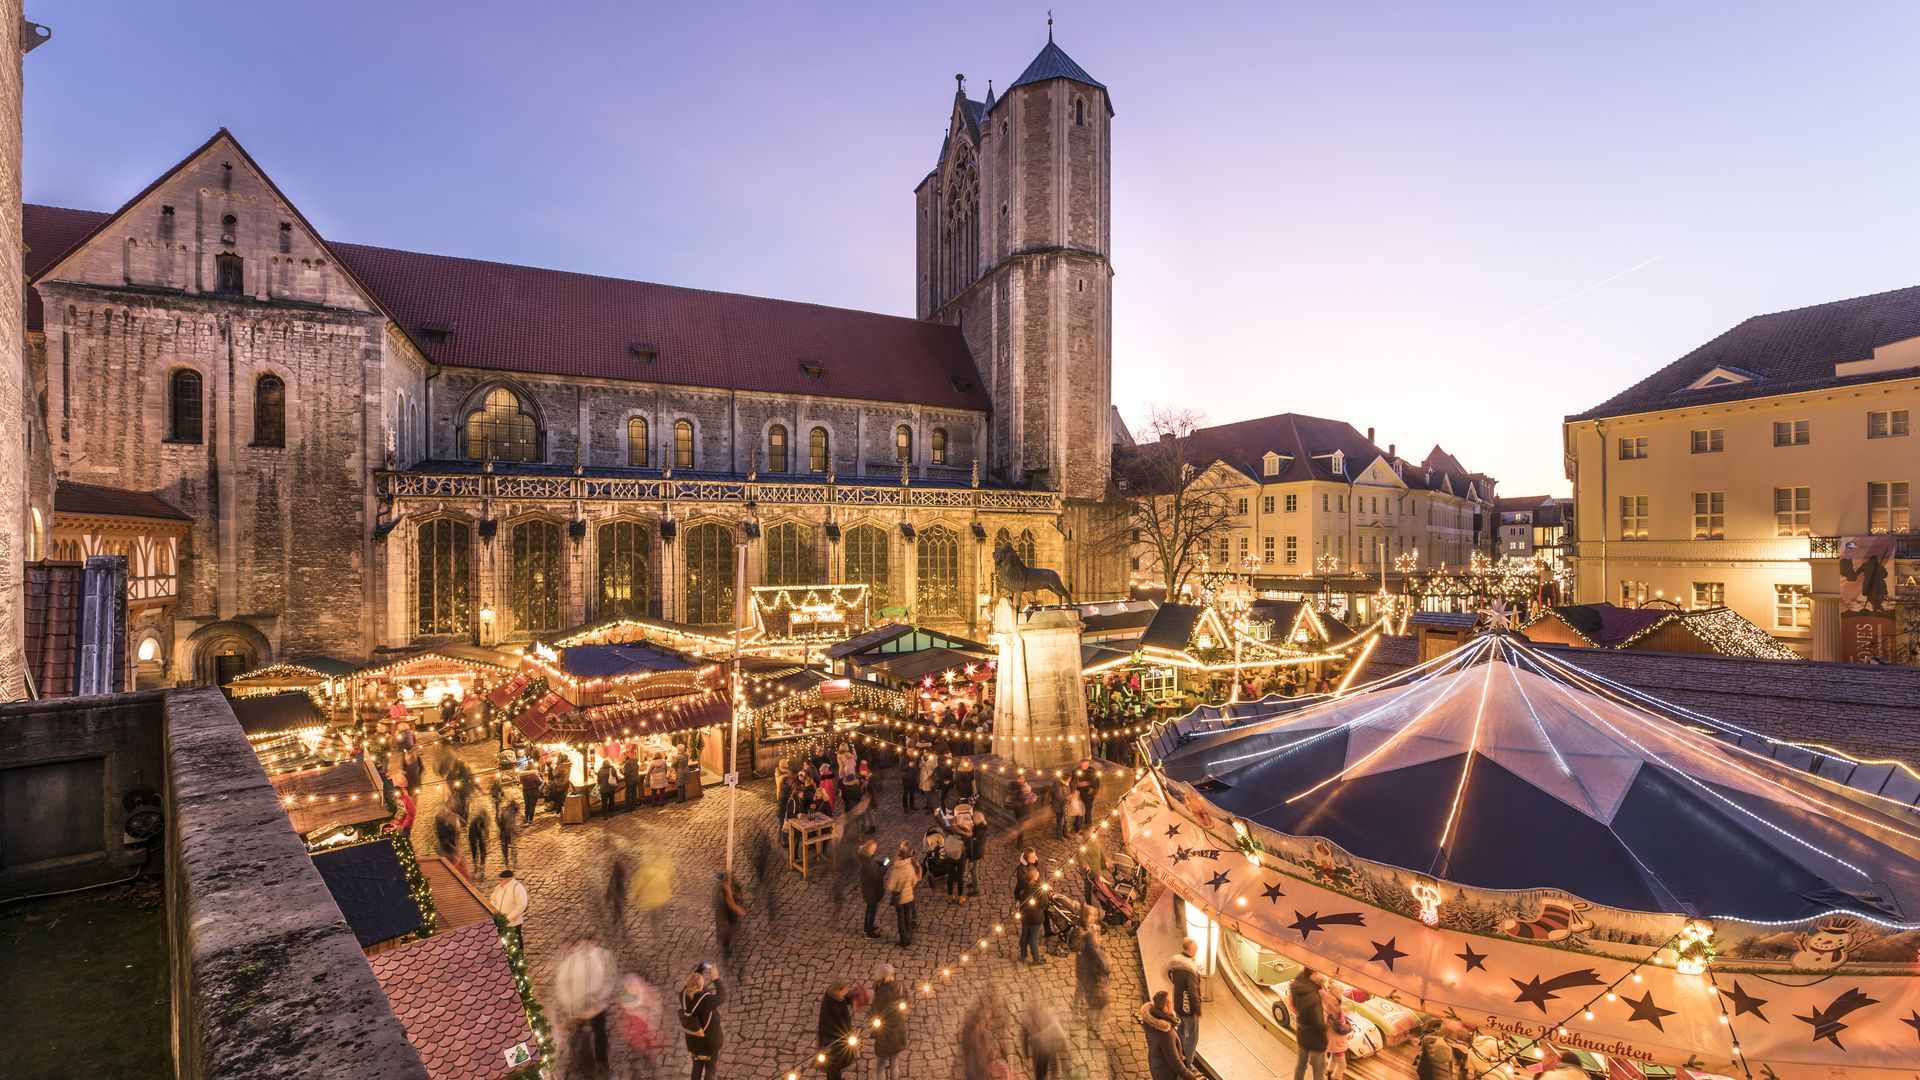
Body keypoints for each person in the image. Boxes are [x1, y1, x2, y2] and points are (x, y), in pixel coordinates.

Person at [554, 936, 616, 1076]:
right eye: (582, 943)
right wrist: (573, 1007)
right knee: (582, 1038)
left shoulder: (601, 957)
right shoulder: (569, 963)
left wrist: (599, 1002)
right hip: (577, 1008)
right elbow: (562, 987)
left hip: (597, 1006)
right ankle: (588, 1068)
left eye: (590, 943)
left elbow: (608, 980)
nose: (586, 947)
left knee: (600, 1034)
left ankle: (602, 1063)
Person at [679, 962, 725, 1080]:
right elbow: (722, 996)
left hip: (693, 1041)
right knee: (710, 1069)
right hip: (709, 1042)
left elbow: (691, 984)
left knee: (697, 1066)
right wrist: (716, 979)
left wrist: (700, 969)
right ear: (701, 986)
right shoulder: (706, 1001)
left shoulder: (683, 995)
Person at [1140, 990, 1201, 1080]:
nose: (1173, 1004)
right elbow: (1175, 1063)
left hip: (1157, 1066)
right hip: (1166, 1075)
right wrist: (1193, 1078)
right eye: (1171, 1002)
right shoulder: (1166, 1034)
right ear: (1166, 1008)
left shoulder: (1152, 1020)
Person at [1288, 967, 1331, 1080]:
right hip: (1316, 1041)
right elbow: (1319, 1023)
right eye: (1319, 973)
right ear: (1313, 974)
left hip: (1302, 1033)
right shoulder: (1313, 998)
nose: (1321, 975)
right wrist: (1328, 1027)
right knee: (1318, 1071)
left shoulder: (1297, 983)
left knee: (1301, 1066)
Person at [870, 962, 907, 1080]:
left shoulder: (880, 993)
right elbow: (906, 1000)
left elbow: (873, 1013)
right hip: (897, 1031)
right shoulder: (900, 987)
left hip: (883, 1034)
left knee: (881, 1064)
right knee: (894, 1062)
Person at [1168, 937, 1202, 1061]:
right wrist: (1197, 1009)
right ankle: (1188, 1062)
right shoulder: (1190, 968)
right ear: (1191, 949)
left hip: (1178, 1002)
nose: (1198, 948)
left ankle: (1177, 1054)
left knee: (1181, 1029)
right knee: (1193, 1036)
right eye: (1196, 946)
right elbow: (1192, 992)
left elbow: (1168, 973)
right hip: (1188, 1007)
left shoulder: (1175, 960)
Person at [816, 980, 859, 1080]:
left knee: (834, 1066)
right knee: (833, 1066)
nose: (846, 991)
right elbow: (836, 1024)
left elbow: (844, 999)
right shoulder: (831, 1006)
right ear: (837, 991)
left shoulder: (834, 997)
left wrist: (853, 995)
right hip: (832, 1043)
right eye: (844, 990)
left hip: (838, 1042)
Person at [1075, 921, 1112, 1033]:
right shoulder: (1098, 955)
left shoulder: (1081, 954)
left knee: (1091, 1006)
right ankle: (1096, 1027)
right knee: (1100, 1007)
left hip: (1087, 987)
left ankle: (1091, 1023)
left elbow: (1079, 971)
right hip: (1098, 987)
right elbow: (1107, 969)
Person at [1021, 994, 1068, 1080]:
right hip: (1039, 1053)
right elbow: (1024, 1036)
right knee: (1041, 1073)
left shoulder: (1047, 1016)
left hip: (1047, 1051)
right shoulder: (1027, 1020)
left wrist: (1064, 1045)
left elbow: (1058, 1031)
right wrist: (1026, 1052)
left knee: (1052, 1071)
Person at [886, 840, 921, 946]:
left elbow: (891, 886)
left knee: (900, 919)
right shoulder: (909, 867)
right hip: (909, 897)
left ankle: (903, 940)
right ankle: (909, 937)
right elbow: (914, 881)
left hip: (900, 899)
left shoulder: (896, 870)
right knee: (908, 916)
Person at [1321, 974, 1352, 1080]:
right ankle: (1336, 1077)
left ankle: (1329, 1072)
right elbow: (1340, 1029)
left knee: (1334, 1057)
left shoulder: (1329, 1004)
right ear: (1336, 994)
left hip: (1331, 1039)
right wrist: (1349, 1027)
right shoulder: (1334, 1010)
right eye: (1341, 993)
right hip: (1336, 1041)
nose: (1342, 995)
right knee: (1342, 1065)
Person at [491, 869, 530, 951]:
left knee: (516, 941)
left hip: (513, 922)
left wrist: (509, 918)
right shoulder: (498, 888)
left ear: (509, 879)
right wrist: (495, 913)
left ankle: (519, 958)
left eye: (501, 880)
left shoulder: (517, 888)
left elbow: (522, 905)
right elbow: (493, 899)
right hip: (500, 921)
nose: (499, 881)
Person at [1015, 864, 1046, 964]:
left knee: (1024, 935)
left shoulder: (1022, 884)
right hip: (1036, 917)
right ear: (1034, 876)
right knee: (1033, 938)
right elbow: (1044, 903)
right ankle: (1036, 959)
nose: (1038, 873)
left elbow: (1016, 893)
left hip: (1025, 915)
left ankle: (1022, 955)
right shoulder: (1039, 888)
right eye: (1037, 872)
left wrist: (1019, 899)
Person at [858, 838, 886, 939]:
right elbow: (877, 875)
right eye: (874, 849)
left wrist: (878, 863)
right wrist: (884, 867)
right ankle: (869, 933)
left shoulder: (865, 858)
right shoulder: (868, 863)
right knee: (872, 910)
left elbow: (873, 862)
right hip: (871, 891)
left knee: (869, 908)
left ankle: (867, 927)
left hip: (868, 890)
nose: (875, 850)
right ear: (870, 849)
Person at [714, 872, 743, 960]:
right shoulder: (725, 891)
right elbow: (730, 902)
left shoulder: (721, 889)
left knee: (725, 928)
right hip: (725, 912)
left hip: (722, 911)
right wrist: (737, 910)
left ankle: (724, 945)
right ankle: (725, 948)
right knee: (727, 929)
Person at [496, 797, 522, 870]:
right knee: (512, 847)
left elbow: (500, 822)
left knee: (507, 848)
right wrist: (515, 831)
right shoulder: (510, 812)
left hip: (505, 832)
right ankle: (512, 862)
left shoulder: (507, 810)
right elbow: (508, 824)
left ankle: (507, 861)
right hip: (507, 832)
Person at [466, 807, 492, 876]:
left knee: (482, 848)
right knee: (474, 848)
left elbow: (486, 829)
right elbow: (480, 829)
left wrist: (486, 837)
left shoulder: (485, 819)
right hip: (473, 832)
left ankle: (482, 864)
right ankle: (475, 864)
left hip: (478, 832)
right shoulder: (476, 820)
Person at [622, 748, 641, 813]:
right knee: (634, 793)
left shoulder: (627, 763)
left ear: (625, 756)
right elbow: (638, 768)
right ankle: (634, 806)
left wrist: (621, 771)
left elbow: (625, 772)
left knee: (628, 794)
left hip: (629, 781)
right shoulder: (635, 761)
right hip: (635, 779)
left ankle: (628, 808)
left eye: (623, 755)